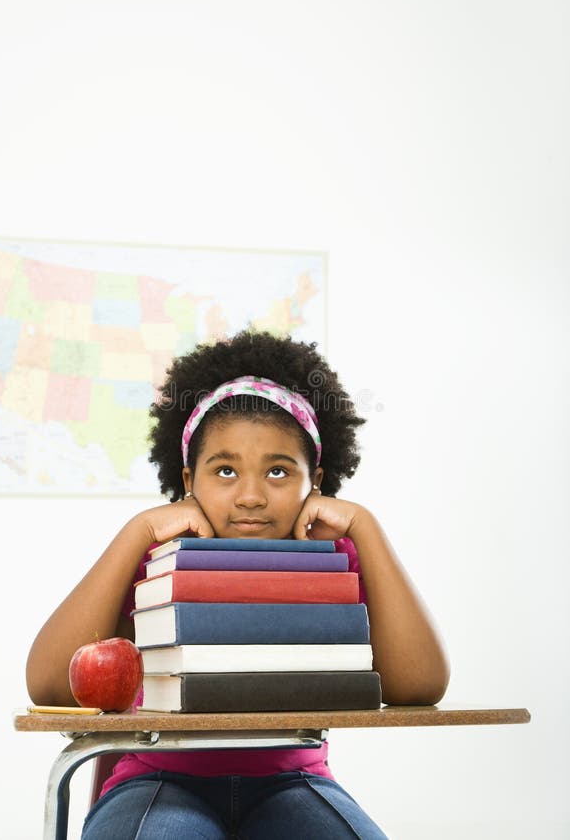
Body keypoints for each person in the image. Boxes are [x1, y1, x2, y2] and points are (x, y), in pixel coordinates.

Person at [26, 329, 450, 839]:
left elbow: (419, 687)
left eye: (278, 471)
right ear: (188, 481)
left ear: (314, 481)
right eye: (225, 470)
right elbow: (49, 684)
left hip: (292, 781)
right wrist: (135, 534)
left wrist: (366, 527)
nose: (250, 496)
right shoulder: (157, 563)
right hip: (159, 779)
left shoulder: (334, 561)